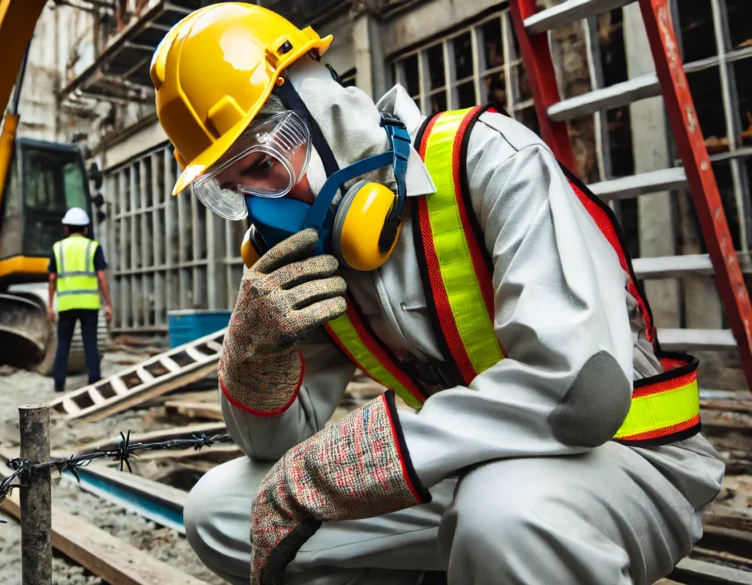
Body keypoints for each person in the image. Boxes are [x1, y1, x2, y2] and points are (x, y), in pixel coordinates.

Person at [150, 4, 725, 585]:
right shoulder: (321, 254)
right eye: (231, 190)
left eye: (261, 167)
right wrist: (256, 357)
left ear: (318, 111)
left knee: (504, 514)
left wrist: (363, 459)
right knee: (221, 512)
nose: (259, 206)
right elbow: (279, 447)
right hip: (467, 459)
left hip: (627, 456)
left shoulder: (491, 158)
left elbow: (581, 391)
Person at [48, 207, 112, 391]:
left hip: (66, 304)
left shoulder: (57, 248)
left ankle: (59, 383)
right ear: (85, 228)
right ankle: (94, 379)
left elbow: (52, 278)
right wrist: (108, 304)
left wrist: (51, 305)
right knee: (90, 342)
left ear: (66, 228)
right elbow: (101, 277)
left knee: (63, 344)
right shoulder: (93, 247)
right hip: (89, 304)